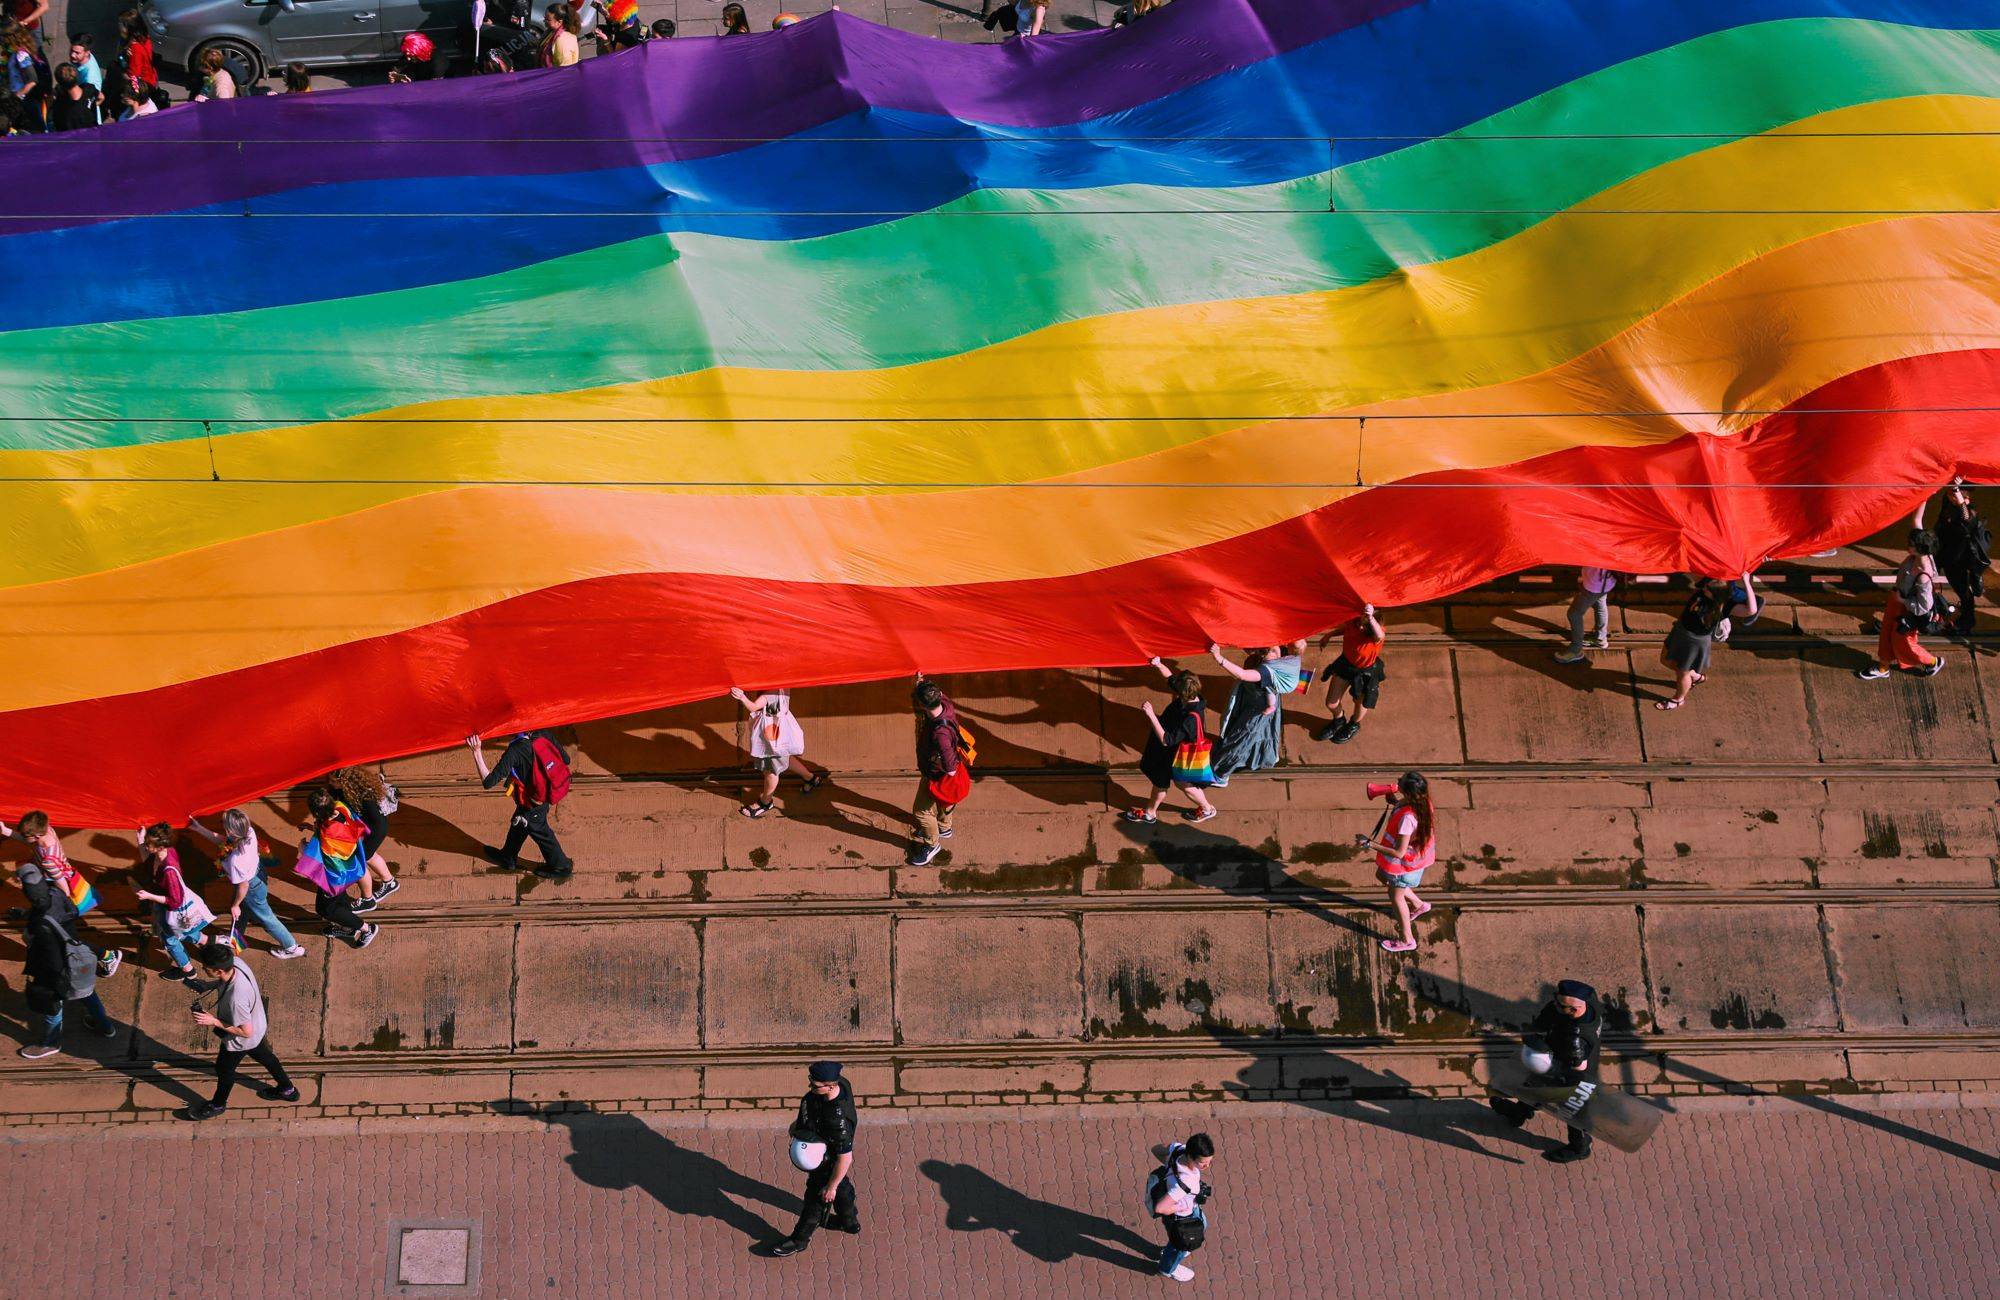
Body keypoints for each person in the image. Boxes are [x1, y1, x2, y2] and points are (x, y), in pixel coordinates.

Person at [182, 937, 299, 1120]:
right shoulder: (235, 962)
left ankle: (218, 1105)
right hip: (258, 1023)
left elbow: (245, 1032)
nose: (203, 970)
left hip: (241, 1039)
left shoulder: (237, 998)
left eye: (206, 968)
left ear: (219, 970)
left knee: (224, 1070)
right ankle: (287, 1089)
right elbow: (225, 981)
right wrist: (208, 985)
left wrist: (213, 1021)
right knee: (266, 1057)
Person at [1490, 979, 1601, 1163]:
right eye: (1556, 1000)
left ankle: (1580, 1147)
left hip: (1572, 1076)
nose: (1555, 1005)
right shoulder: (1589, 1006)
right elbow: (1547, 1019)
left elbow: (1577, 1070)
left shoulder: (1576, 1042)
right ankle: (1519, 1113)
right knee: (1535, 1086)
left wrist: (1544, 1057)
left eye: (1560, 1004)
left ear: (1574, 1010)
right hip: (1561, 1056)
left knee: (1573, 1111)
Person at [0, 811, 120, 977]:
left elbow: (62, 886)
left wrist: (60, 907)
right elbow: (30, 842)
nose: (23, 836)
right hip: (54, 883)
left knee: (68, 939)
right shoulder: (47, 831)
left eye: (25, 834)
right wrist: (5, 830)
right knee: (63, 936)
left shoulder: (49, 860)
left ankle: (108, 956)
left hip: (58, 894)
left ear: (35, 835)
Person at [768, 1061, 859, 1257]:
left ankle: (799, 1240)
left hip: (827, 1163)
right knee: (842, 1188)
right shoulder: (840, 1083)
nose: (811, 1087)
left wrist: (830, 1187)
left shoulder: (838, 1123)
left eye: (815, 1085)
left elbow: (845, 1158)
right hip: (822, 1150)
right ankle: (848, 1221)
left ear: (831, 1086)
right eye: (811, 1081)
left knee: (816, 1200)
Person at [189, 810, 307, 959]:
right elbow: (225, 842)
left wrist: (235, 904)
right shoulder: (248, 832)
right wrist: (199, 828)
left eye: (224, 824)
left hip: (250, 887)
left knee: (265, 916)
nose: (223, 825)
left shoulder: (237, 860)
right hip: (258, 875)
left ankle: (291, 947)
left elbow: (243, 886)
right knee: (243, 910)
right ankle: (236, 940)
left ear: (231, 830)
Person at [469, 731, 574, 880]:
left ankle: (561, 866)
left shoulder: (516, 750)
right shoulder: (544, 734)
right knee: (519, 821)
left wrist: (476, 751)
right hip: (544, 795)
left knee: (541, 831)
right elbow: (566, 759)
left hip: (532, 802)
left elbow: (489, 781)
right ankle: (508, 857)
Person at [1123, 661, 1217, 824]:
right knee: (1183, 784)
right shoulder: (1191, 695)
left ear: (1183, 693)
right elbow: (1170, 678)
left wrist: (1151, 715)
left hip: (1171, 754)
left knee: (1161, 782)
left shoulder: (1190, 719)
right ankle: (1207, 809)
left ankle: (1150, 814)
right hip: (1175, 753)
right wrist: (1158, 664)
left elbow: (1167, 740)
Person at [17, 906, 115, 1059]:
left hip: (58, 973)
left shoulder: (41, 929)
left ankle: (50, 1043)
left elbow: (52, 962)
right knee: (87, 994)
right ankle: (106, 1027)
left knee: (53, 1010)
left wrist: (47, 984)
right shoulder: (61, 902)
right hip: (77, 966)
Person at [1356, 772, 1435, 953]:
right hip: (1416, 860)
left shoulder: (1408, 818)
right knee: (1382, 875)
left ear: (1408, 793)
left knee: (1396, 896)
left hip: (1405, 866)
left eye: (1401, 782)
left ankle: (1408, 940)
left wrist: (1369, 843)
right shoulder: (1424, 803)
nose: (1397, 781)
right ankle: (1418, 905)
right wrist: (1394, 803)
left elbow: (1399, 852)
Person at [1206, 641, 1304, 786]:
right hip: (1260, 702)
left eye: (1270, 650)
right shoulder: (1285, 654)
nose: (1273, 651)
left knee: (1240, 738)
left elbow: (1242, 674)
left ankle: (1221, 774)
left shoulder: (1265, 671)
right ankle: (1261, 757)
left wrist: (1218, 657)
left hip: (1256, 708)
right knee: (1258, 733)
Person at [1860, 530, 1947, 680]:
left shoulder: (1924, 575)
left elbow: (1924, 607)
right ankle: (1883, 667)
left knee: (1904, 642)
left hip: (1907, 611)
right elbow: (1917, 521)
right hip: (1897, 601)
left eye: (1911, 545)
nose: (1908, 546)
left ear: (1921, 549)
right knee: (1886, 633)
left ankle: (1933, 662)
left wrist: (1903, 601)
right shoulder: (1918, 556)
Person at [730, 687, 826, 819]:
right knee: (783, 757)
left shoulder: (770, 693)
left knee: (771, 771)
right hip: (781, 734)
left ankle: (765, 802)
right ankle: (811, 778)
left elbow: (753, 707)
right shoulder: (784, 686)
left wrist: (742, 697)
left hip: (771, 739)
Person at [1656, 573, 1748, 710]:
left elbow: (1751, 610)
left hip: (1694, 641)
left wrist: (1746, 582)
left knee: (1682, 674)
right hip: (1681, 631)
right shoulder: (1705, 591)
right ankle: (1694, 675)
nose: (1704, 587)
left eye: (1708, 588)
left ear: (1715, 593)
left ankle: (1678, 699)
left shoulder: (1724, 607)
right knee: (1665, 660)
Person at [134, 823, 212, 980]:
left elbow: (175, 901)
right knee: (181, 930)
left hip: (168, 909)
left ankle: (188, 971)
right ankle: (206, 940)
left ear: (160, 846)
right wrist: (140, 839)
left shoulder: (169, 871)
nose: (146, 846)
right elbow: (149, 861)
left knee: (169, 940)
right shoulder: (167, 853)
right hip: (163, 905)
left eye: (149, 844)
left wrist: (149, 896)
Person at [907, 675, 969, 867]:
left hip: (935, 775)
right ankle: (944, 827)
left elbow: (950, 769)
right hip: (940, 773)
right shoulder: (945, 703)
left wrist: (936, 768)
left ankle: (932, 844)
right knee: (945, 800)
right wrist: (921, 683)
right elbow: (933, 693)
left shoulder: (940, 734)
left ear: (923, 707)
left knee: (920, 812)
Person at [1312, 604, 1386, 744]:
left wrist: (1370, 618)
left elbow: (1379, 635)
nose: (1360, 628)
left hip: (1365, 672)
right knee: (1331, 703)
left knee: (1360, 703)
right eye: (1359, 623)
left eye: (1365, 626)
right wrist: (1329, 635)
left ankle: (1353, 724)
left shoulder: (1375, 635)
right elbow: (1346, 628)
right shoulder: (1354, 622)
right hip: (1345, 664)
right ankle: (1339, 720)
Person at [329, 766, 399, 909]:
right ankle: (389, 882)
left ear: (344, 781)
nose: (330, 783)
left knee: (358, 863)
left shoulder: (363, 795)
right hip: (372, 829)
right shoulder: (348, 790)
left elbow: (374, 819)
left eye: (332, 781)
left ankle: (367, 900)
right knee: (370, 855)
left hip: (375, 830)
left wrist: (362, 833)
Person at [1147, 1133, 1214, 1282]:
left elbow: (1156, 1149)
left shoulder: (1178, 1149)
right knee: (1180, 1244)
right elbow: (1160, 1208)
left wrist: (1168, 1166)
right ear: (1190, 1156)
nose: (1207, 1166)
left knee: (1202, 1224)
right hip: (1182, 1217)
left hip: (1188, 1208)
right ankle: (1167, 1268)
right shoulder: (1185, 1183)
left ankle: (1173, 1251)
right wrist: (1180, 1207)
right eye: (1203, 1162)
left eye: (1210, 1161)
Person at [1932, 479, 1989, 636]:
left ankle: (1967, 620)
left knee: (1962, 590)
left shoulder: (1969, 511)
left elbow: (1966, 518)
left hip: (1957, 559)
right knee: (1926, 580)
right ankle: (1932, 612)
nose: (1949, 494)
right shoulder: (1948, 502)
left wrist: (1958, 496)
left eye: (1953, 493)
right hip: (1942, 551)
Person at [1554, 566, 1617, 664]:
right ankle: (1600, 638)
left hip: (1595, 583)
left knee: (1574, 614)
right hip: (1606, 580)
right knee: (1600, 603)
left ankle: (1575, 650)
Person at [46, 62, 98, 130]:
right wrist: (87, 107)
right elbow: (101, 97)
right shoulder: (90, 89)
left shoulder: (61, 111)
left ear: (61, 85)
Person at [117, 9, 155, 88]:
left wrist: (120, 74)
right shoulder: (144, 38)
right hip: (151, 79)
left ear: (130, 28)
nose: (119, 26)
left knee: (113, 69)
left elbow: (133, 76)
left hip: (143, 86)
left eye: (121, 24)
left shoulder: (135, 48)